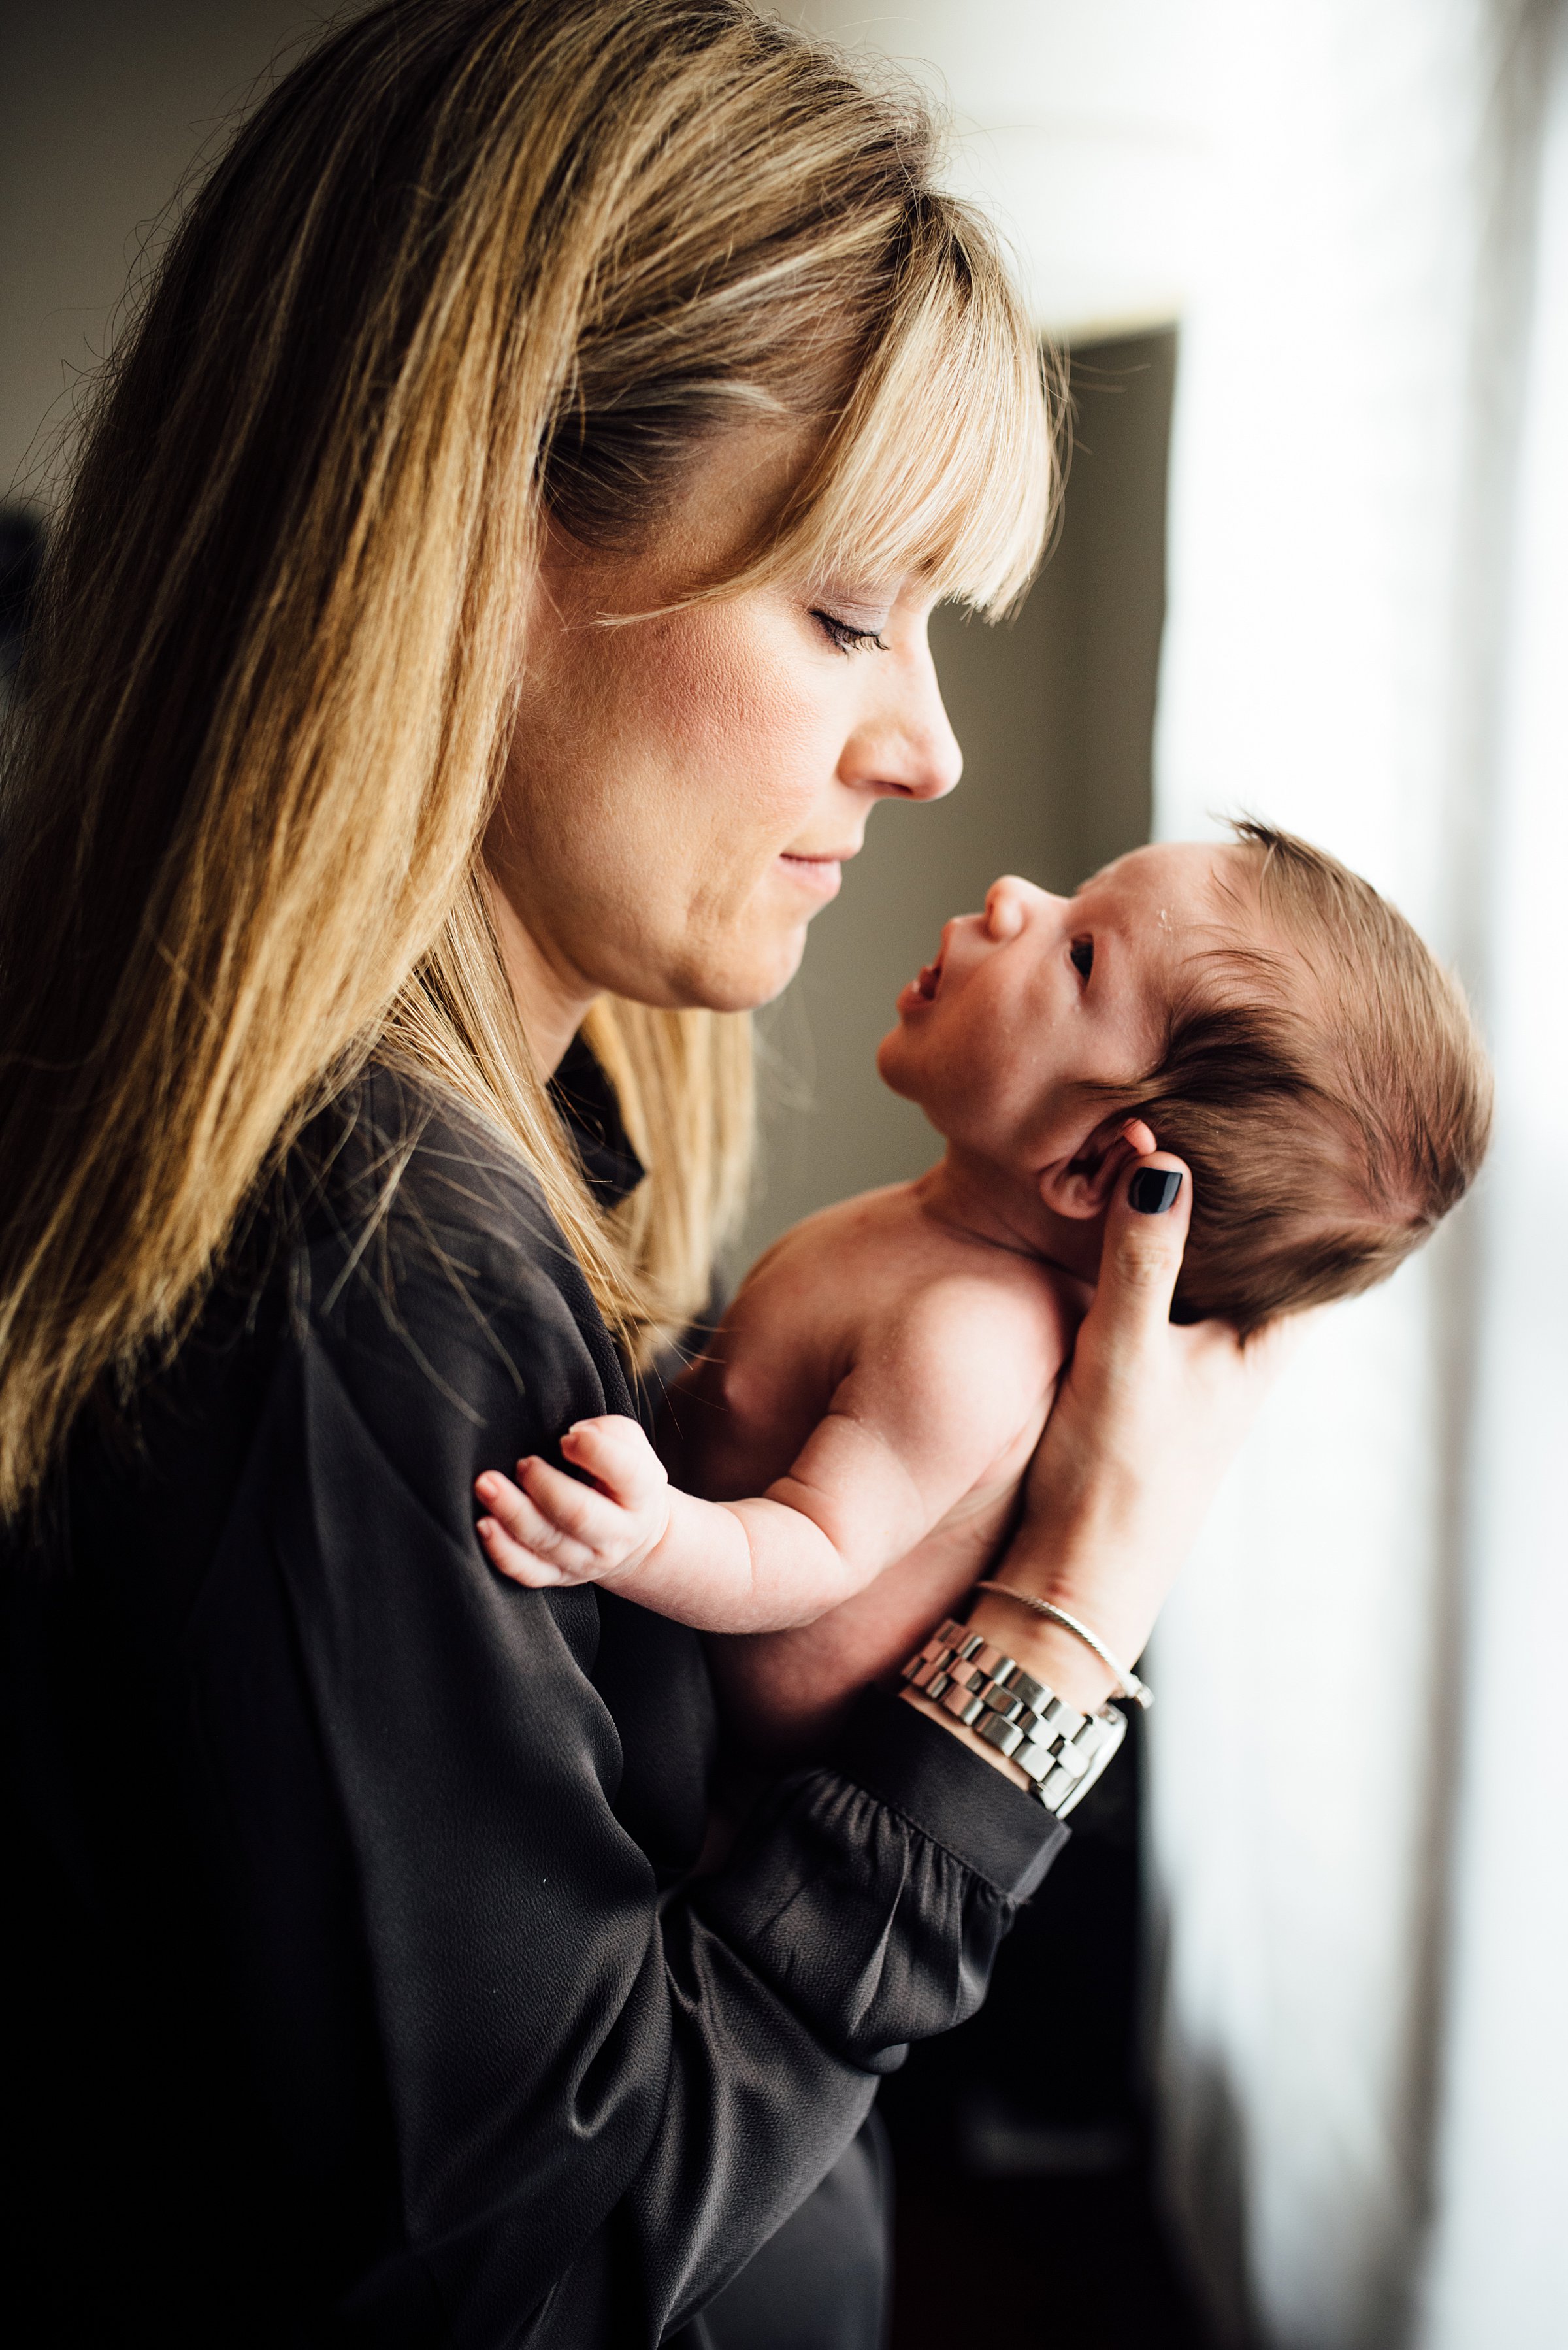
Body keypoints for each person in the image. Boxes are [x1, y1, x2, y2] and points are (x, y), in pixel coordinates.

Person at [0, 5, 1288, 2345]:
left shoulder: (525, 1159)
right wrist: (1064, 1621)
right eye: (838, 611)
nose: (928, 745)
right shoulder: (352, 1266)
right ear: (469, 545)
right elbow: (543, 2260)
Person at [472, 827, 1490, 1742]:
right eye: (1074, 892)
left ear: (1098, 1170)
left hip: (716, 1779)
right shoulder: (936, 1228)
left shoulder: (971, 1339)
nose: (1012, 896)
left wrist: (650, 1536)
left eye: (1082, 952)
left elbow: (812, 1553)